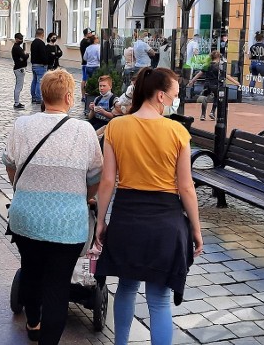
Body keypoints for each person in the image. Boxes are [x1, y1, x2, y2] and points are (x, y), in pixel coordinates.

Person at [95, 67, 203, 345]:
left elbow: (107, 181)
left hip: (127, 216)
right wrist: (197, 229)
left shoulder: (117, 127)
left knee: (127, 288)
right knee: (159, 300)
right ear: (159, 96)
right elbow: (187, 187)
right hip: (165, 220)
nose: (176, 100)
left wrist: (100, 221)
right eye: (175, 95)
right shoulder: (177, 132)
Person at [3, 69, 102, 345]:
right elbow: (95, 177)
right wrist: (83, 197)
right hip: (67, 224)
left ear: (43, 95)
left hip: (26, 218)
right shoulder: (84, 130)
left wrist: (23, 189)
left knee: (31, 272)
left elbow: (11, 166)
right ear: (70, 97)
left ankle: (33, 323)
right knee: (57, 287)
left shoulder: (21, 125)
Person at [187, 51, 241, 121]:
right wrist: (236, 82)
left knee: (204, 98)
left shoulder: (207, 65)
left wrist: (192, 81)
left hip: (207, 84)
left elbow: (199, 74)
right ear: (218, 57)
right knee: (216, 98)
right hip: (215, 85)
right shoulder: (219, 67)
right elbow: (226, 76)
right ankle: (212, 112)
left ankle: (203, 115)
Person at [30, 28, 48, 104]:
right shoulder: (41, 43)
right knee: (39, 82)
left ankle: (33, 97)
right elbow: (43, 55)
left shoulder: (33, 42)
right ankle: (38, 98)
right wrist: (46, 62)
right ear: (42, 34)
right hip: (40, 65)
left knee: (34, 81)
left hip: (34, 64)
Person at [11, 33, 29, 109]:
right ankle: (16, 103)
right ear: (16, 39)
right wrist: (26, 55)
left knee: (19, 86)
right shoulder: (17, 48)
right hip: (19, 68)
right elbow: (24, 56)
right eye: (20, 39)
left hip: (19, 67)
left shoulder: (17, 47)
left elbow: (23, 57)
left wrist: (24, 56)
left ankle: (17, 102)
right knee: (19, 86)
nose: (21, 40)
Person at [79, 28, 93, 95]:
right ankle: (83, 95)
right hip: (86, 63)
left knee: (85, 79)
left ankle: (84, 95)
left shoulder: (85, 41)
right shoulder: (85, 42)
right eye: (90, 33)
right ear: (87, 34)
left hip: (86, 63)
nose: (91, 34)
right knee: (84, 80)